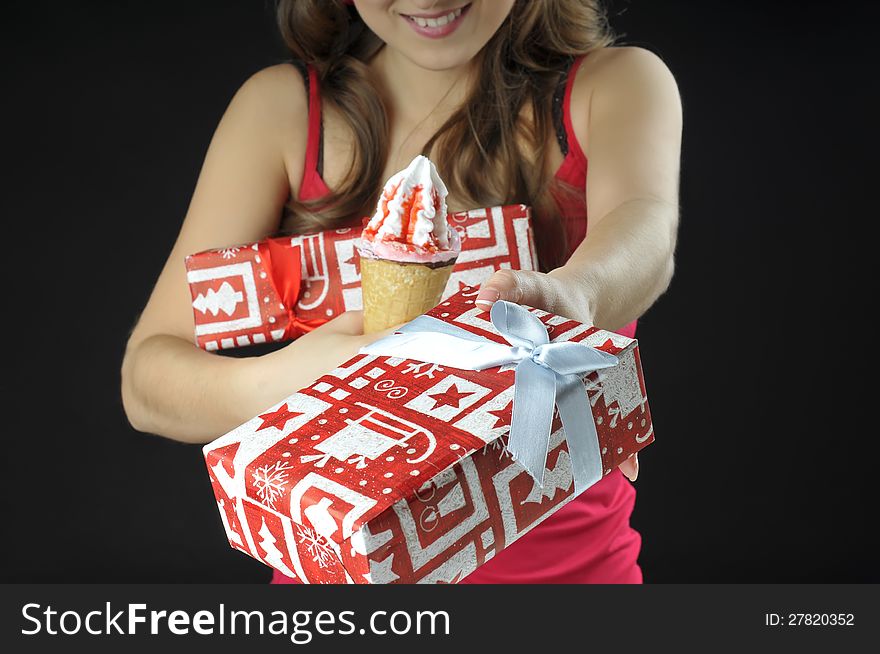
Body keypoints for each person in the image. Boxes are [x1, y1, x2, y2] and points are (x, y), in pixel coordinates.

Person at [121, 0, 682, 584]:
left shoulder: (613, 86)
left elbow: (644, 226)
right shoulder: (284, 113)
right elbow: (147, 380)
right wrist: (295, 380)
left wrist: (575, 295)